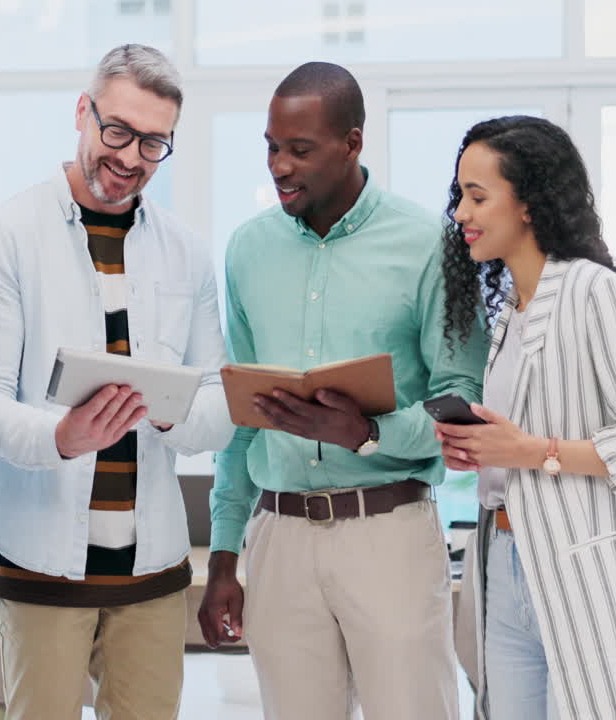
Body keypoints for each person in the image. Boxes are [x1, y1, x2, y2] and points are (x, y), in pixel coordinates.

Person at [199, 61, 487, 720]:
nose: (279, 166)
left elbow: (461, 400)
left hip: (389, 534)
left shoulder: (431, 245)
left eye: (300, 150)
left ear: (352, 142)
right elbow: (242, 415)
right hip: (278, 538)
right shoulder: (247, 249)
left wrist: (366, 432)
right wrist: (223, 556)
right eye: (272, 147)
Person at [0, 43, 233, 720]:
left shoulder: (186, 251)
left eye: (153, 142)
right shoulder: (6, 235)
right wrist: (65, 437)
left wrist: (168, 411)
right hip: (36, 556)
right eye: (117, 132)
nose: (132, 157)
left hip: (153, 565)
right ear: (83, 112)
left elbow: (219, 402)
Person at [435, 115, 616, 720]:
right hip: (502, 558)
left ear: (529, 204)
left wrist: (534, 452)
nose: (461, 213)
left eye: (477, 196)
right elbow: (515, 444)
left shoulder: (596, 292)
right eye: (460, 196)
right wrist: (476, 450)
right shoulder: (509, 312)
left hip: (583, 569)